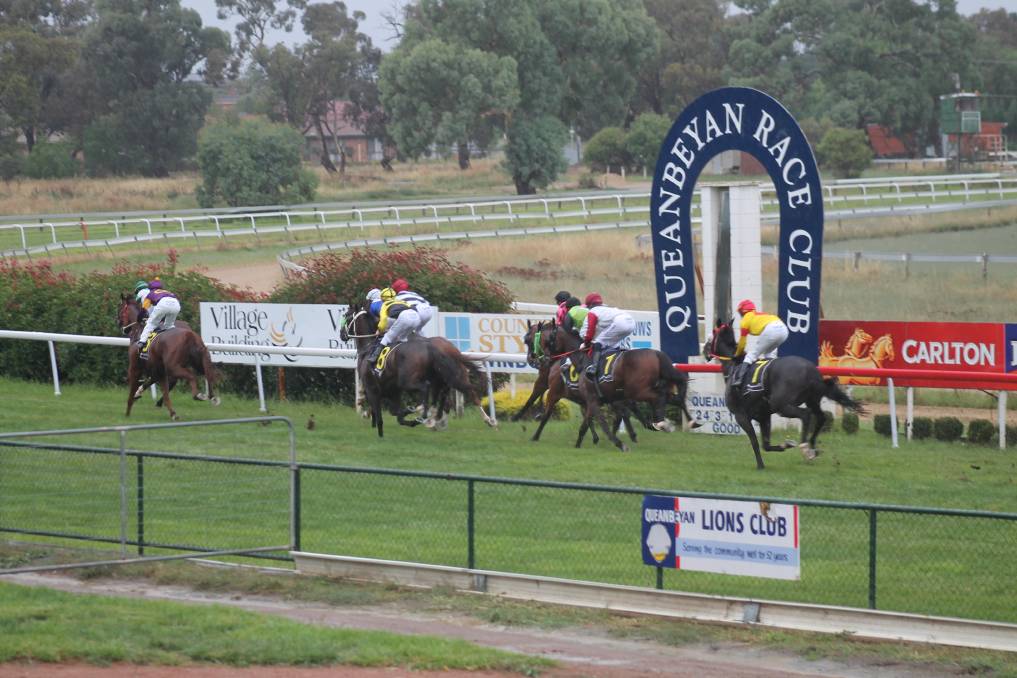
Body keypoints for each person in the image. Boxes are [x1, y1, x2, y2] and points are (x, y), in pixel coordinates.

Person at [732, 299, 789, 388]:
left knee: (750, 355)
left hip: (771, 330)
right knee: (769, 355)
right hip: (784, 330)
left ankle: (739, 380)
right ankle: (775, 377)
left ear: (742, 311)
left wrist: (737, 354)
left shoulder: (745, 320)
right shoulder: (762, 315)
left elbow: (742, 343)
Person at [579, 293, 634, 378]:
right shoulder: (606, 310)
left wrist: (586, 343)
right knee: (612, 344)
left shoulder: (593, 311)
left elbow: (590, 331)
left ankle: (594, 368)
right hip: (631, 323)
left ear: (590, 305)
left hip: (620, 322)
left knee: (599, 342)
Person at [365, 287, 414, 365]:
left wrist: (379, 330)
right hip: (413, 317)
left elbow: (381, 320)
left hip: (394, 319)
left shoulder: (373, 305)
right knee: (402, 337)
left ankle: (375, 356)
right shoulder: (399, 301)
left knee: (385, 336)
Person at [136, 278, 180, 350]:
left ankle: (142, 342)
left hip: (163, 304)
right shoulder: (167, 291)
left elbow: (144, 309)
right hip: (176, 304)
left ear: (150, 288)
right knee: (169, 326)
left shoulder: (150, 294)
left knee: (151, 323)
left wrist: (139, 318)